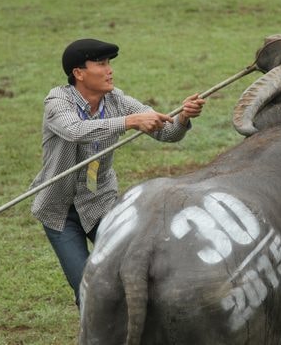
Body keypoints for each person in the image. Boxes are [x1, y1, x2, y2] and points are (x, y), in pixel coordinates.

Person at [30, 38, 205, 306]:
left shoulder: (117, 100)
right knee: (88, 292)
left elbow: (168, 133)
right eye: (100, 64)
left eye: (109, 63)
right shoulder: (57, 102)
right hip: (59, 213)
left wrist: (183, 117)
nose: (109, 69)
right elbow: (76, 131)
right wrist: (130, 121)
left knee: (131, 276)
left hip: (102, 205)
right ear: (79, 73)